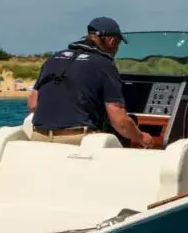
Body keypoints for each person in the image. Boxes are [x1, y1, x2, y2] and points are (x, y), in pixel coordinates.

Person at [26, 16, 155, 148]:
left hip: (39, 138)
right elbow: (119, 122)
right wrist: (141, 137)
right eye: (118, 44)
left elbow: (33, 105)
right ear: (111, 41)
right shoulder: (105, 65)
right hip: (77, 141)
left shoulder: (53, 59)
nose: (117, 49)